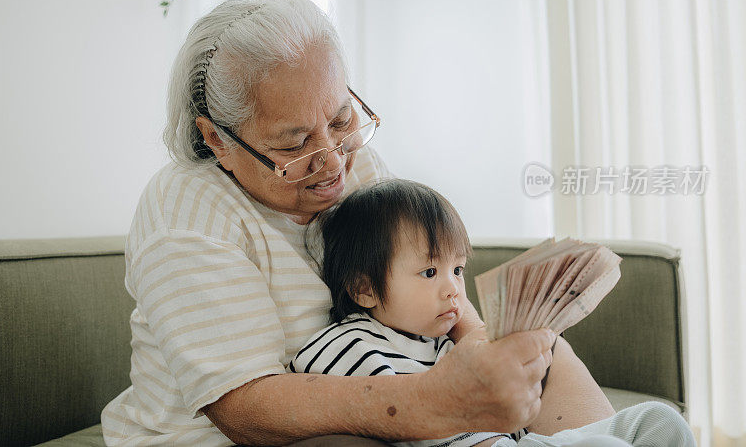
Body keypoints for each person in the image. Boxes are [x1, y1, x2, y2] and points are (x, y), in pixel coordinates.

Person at [101, 0, 620, 446]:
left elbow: (424, 263)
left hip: (396, 370)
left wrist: (483, 347)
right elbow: (245, 412)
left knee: (543, 351)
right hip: (243, 436)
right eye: (295, 143)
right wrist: (438, 402)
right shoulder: (187, 213)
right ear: (219, 140)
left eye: (341, 118)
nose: (332, 160)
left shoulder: (358, 162)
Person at [291, 179, 697, 447]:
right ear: (363, 288)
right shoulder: (349, 344)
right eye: (430, 272)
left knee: (660, 423)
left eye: (458, 269)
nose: (453, 288)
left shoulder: (439, 341)